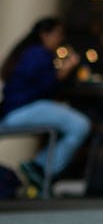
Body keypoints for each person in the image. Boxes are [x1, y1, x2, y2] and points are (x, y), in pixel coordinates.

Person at [0, 18, 93, 190]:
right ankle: (41, 168)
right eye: (57, 34)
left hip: (14, 110)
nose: (60, 39)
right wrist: (64, 71)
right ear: (44, 34)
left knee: (72, 122)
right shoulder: (38, 54)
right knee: (80, 124)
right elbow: (45, 86)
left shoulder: (27, 52)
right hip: (21, 109)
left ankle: (40, 167)